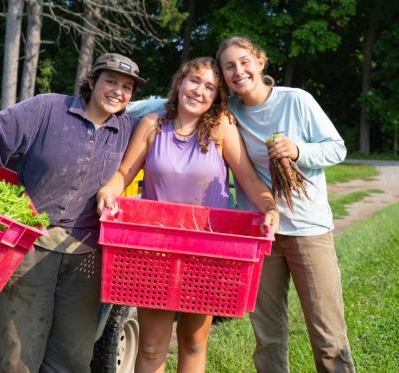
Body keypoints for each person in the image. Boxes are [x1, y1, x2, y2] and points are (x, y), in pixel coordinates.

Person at [0, 53, 146, 373]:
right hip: (29, 245)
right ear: (92, 81)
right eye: (111, 81)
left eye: (127, 87)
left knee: (73, 358)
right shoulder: (48, 109)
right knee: (17, 355)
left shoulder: (129, 130)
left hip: (86, 254)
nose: (118, 91)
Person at [97, 57, 279, 373]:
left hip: (206, 251)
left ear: (216, 96)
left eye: (209, 86)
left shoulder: (221, 128)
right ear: (180, 82)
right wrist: (107, 192)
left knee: (193, 342)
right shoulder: (152, 124)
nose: (198, 91)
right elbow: (124, 172)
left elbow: (248, 178)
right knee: (152, 346)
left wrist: (269, 207)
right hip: (154, 249)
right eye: (194, 80)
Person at [215, 36, 356, 372]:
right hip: (260, 233)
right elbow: (175, 102)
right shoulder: (228, 111)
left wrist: (298, 151)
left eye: (245, 61)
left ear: (260, 62)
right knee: (268, 336)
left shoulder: (297, 101)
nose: (239, 71)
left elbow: (337, 148)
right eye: (229, 66)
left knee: (327, 334)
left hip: (308, 231)